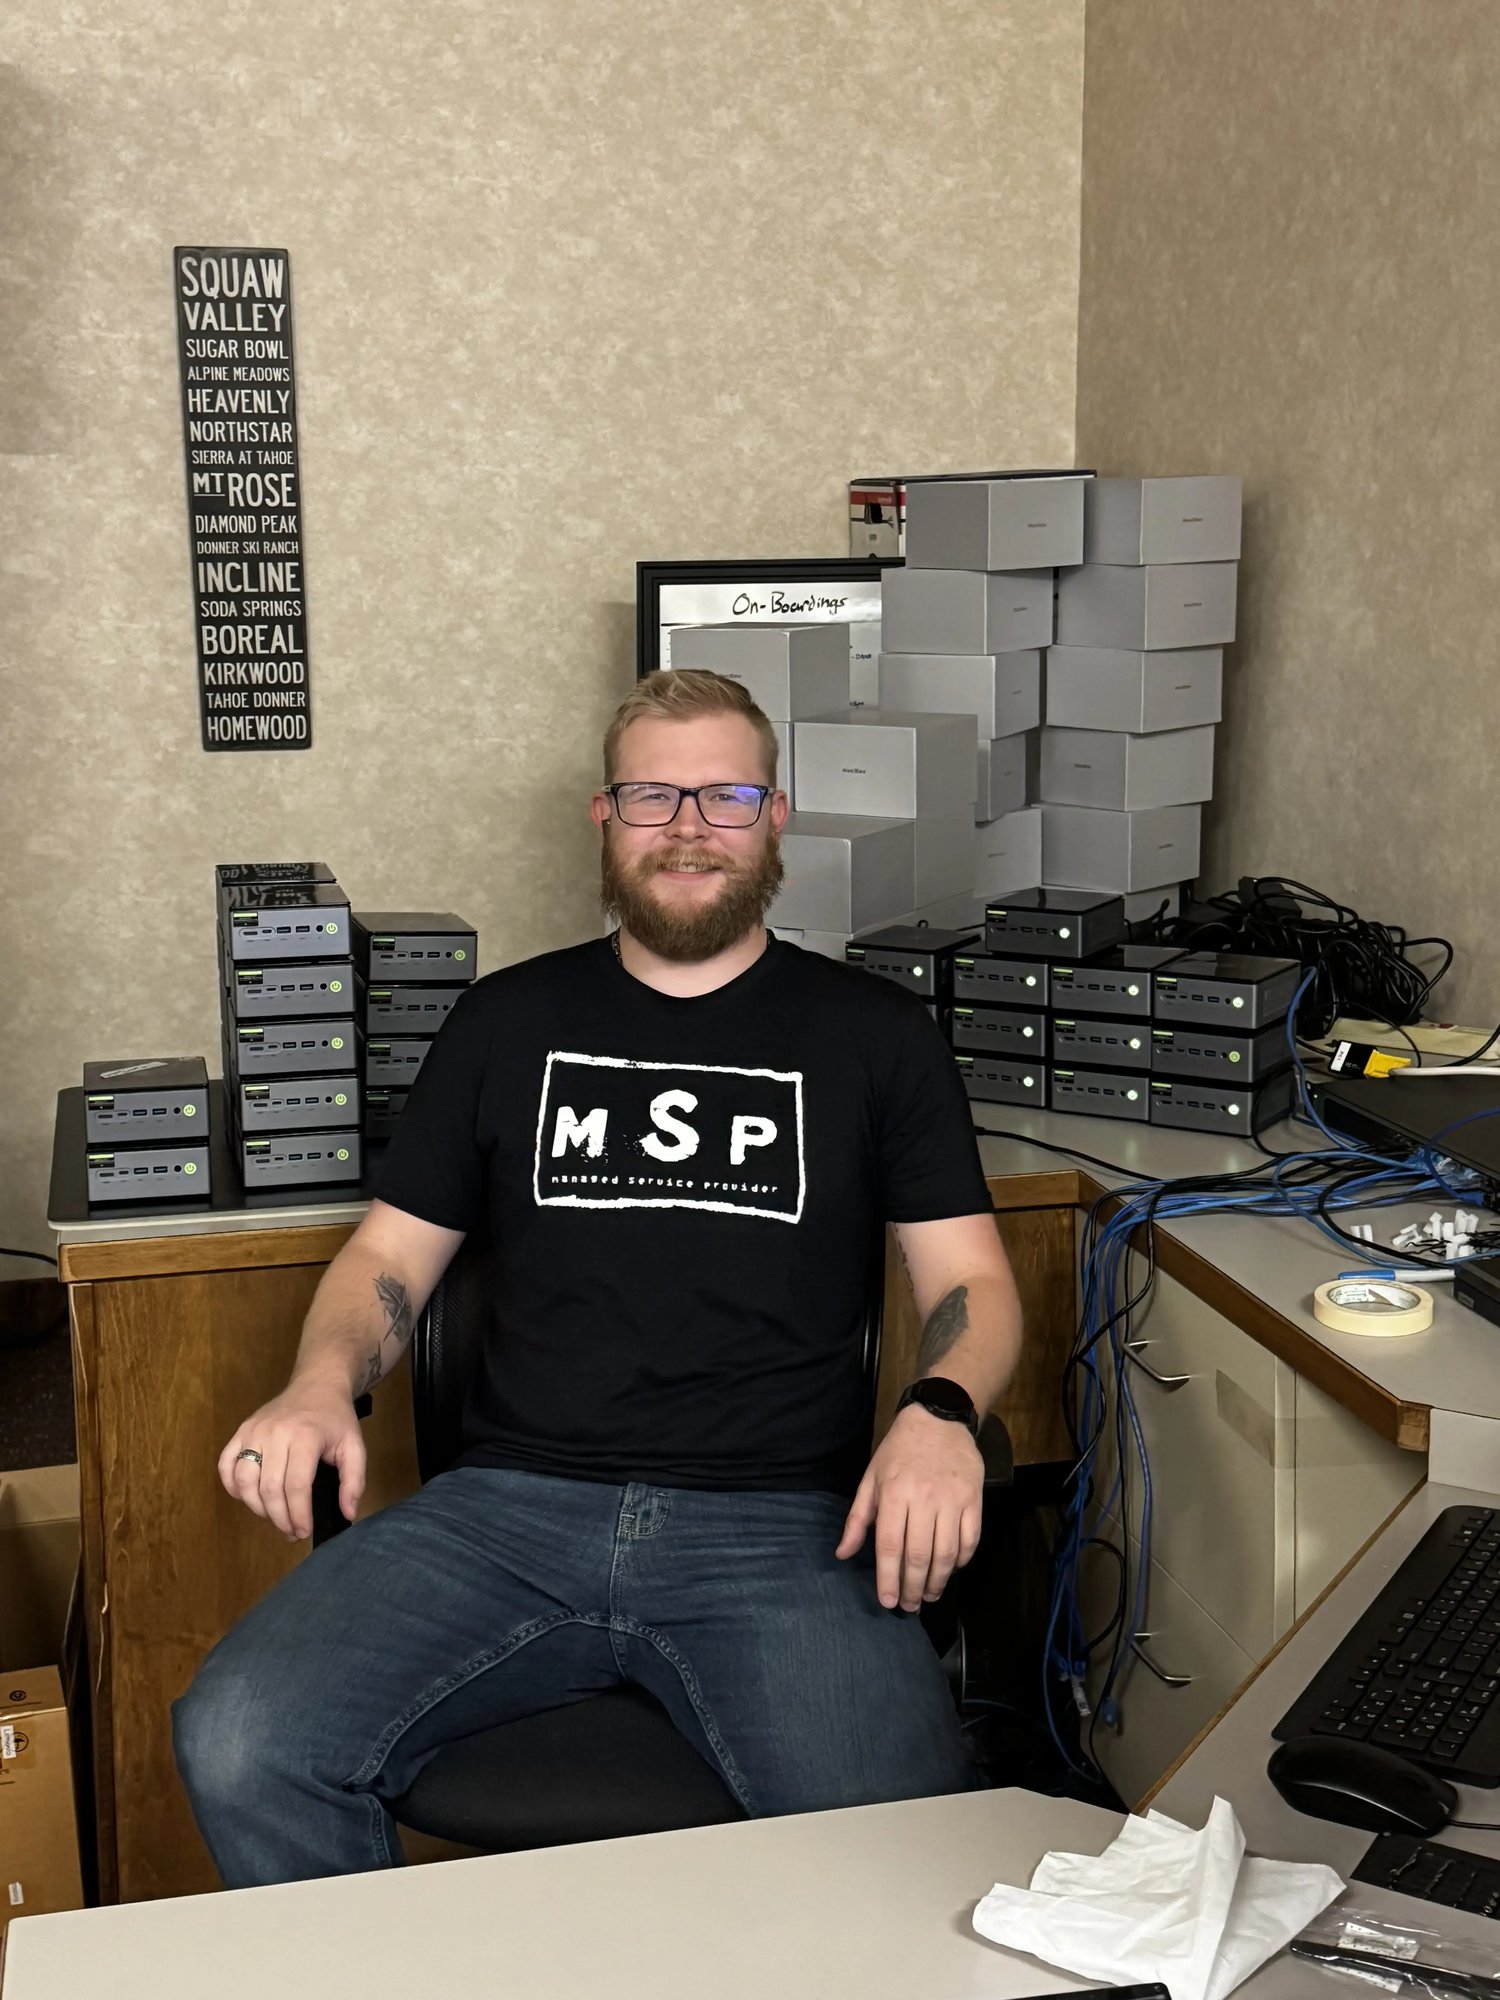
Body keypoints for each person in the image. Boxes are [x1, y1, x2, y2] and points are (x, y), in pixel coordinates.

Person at [173, 667, 1023, 1887]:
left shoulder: (877, 1037)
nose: (688, 826)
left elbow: (973, 1288)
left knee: (901, 1854)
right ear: (604, 817)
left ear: (776, 816)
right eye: (651, 794)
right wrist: (317, 1385)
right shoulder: (504, 1021)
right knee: (241, 1738)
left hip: (780, 1525)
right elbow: (386, 1255)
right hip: (507, 1511)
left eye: (725, 793)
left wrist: (943, 1415)